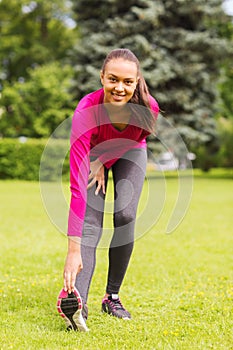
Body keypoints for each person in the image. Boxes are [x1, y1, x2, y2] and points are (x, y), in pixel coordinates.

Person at [56, 48, 159, 331]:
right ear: (102, 77)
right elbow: (77, 185)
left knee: (125, 215)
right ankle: (79, 308)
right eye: (113, 79)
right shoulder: (85, 111)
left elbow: (135, 137)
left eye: (128, 82)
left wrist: (105, 159)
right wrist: (72, 250)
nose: (119, 88)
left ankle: (112, 297)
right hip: (92, 155)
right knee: (90, 223)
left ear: (137, 82)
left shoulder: (148, 107)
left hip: (129, 151)